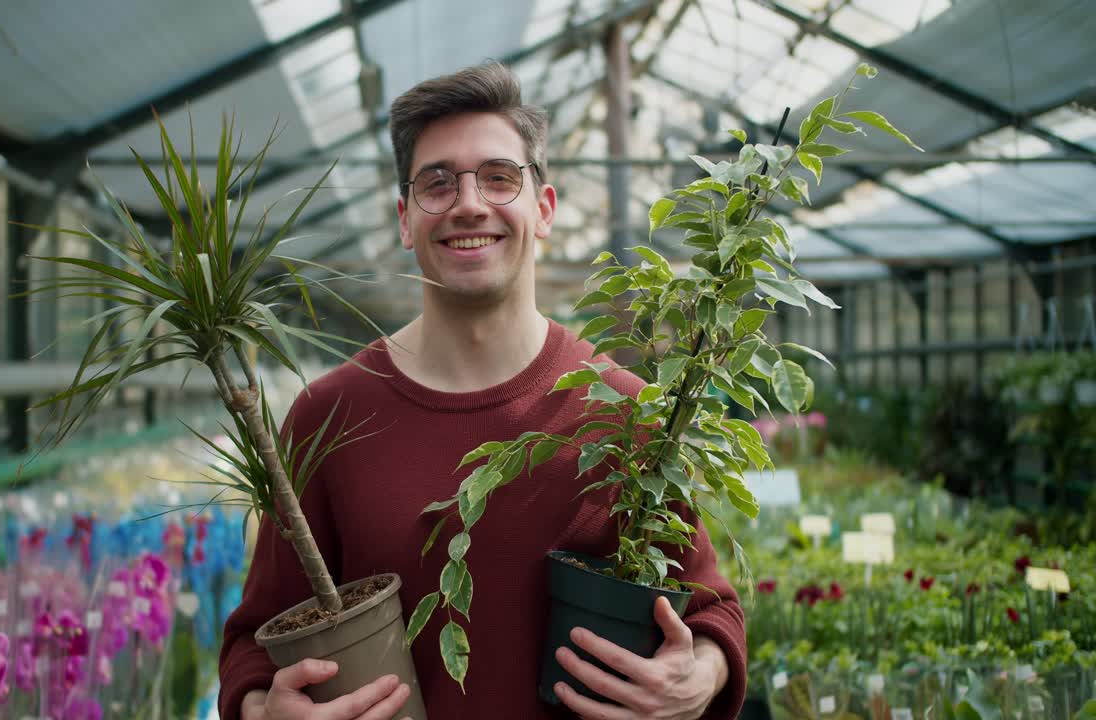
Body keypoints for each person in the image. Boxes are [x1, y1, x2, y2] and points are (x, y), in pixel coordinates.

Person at [218, 62, 746, 720]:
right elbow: (251, 640)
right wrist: (263, 710)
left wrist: (698, 678)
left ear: (543, 209)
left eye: (499, 178)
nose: (469, 203)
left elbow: (711, 610)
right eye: (437, 183)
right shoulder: (327, 416)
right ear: (405, 220)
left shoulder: (627, 409)